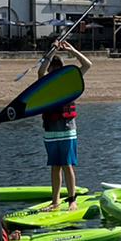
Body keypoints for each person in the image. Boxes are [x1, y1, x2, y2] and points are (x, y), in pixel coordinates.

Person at [38, 38, 92, 209]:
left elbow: (87, 65)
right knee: (55, 166)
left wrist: (72, 50)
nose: (53, 72)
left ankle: (72, 199)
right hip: (51, 130)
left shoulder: (70, 81)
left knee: (67, 164)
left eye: (56, 69)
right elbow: (41, 72)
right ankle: (55, 201)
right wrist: (52, 50)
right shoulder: (46, 83)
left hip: (68, 128)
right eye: (52, 70)